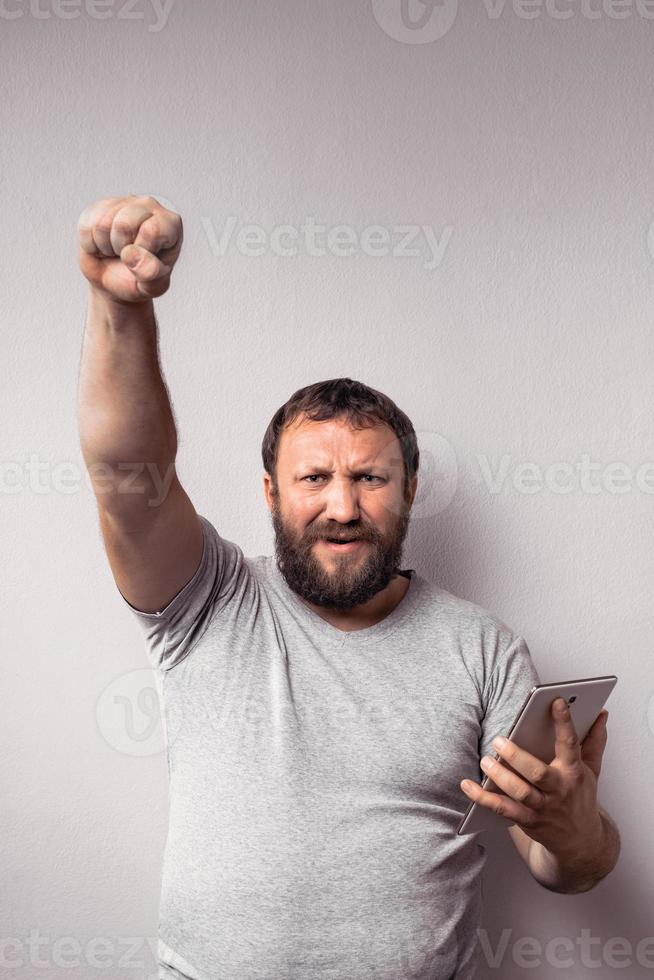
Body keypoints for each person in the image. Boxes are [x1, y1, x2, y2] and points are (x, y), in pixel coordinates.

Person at [77, 195, 621, 980]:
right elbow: (129, 478)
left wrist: (578, 835)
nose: (342, 506)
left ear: (408, 490)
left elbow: (563, 861)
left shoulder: (483, 647)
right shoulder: (207, 601)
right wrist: (117, 307)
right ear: (270, 492)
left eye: (370, 477)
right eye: (314, 478)